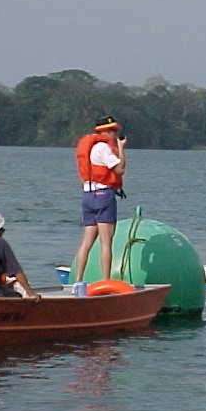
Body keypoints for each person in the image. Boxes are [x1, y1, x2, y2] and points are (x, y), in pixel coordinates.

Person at [73, 116, 127, 290]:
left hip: (88, 195)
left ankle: (78, 281)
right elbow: (120, 169)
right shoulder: (103, 148)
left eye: (115, 131)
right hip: (103, 196)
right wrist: (121, 149)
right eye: (112, 131)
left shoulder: (88, 148)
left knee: (86, 242)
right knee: (106, 242)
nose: (114, 134)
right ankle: (105, 281)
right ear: (104, 132)